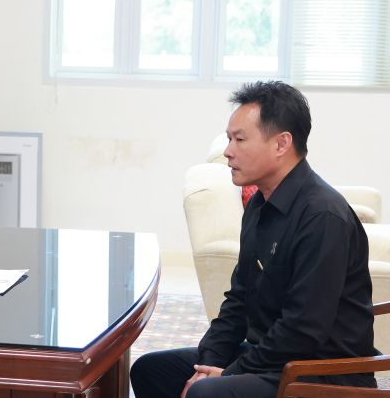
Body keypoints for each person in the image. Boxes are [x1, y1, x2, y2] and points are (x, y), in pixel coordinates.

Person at [131, 81, 376, 397]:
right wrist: (210, 362)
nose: (228, 151)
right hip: (273, 357)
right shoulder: (260, 204)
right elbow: (239, 299)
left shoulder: (323, 217)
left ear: (281, 144)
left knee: (206, 393)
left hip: (320, 371)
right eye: (228, 139)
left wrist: (229, 374)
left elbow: (303, 329)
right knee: (151, 370)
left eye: (240, 139)